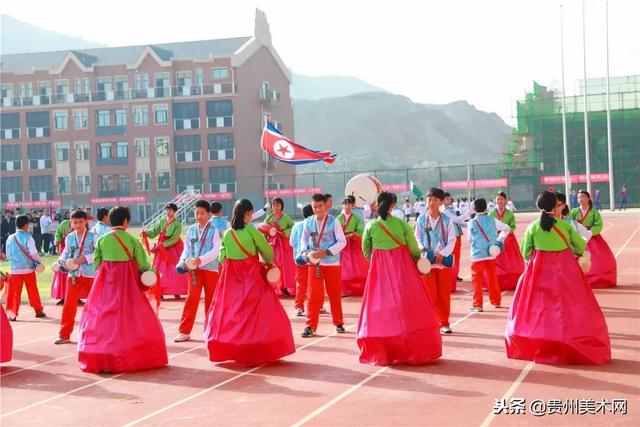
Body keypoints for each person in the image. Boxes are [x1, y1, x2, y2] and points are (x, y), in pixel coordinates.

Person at [505, 191, 610, 365]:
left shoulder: (533, 227)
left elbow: (525, 251)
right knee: (569, 306)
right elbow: (580, 246)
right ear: (555, 207)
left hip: (538, 272)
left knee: (539, 308)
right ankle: (568, 341)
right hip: (565, 271)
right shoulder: (564, 226)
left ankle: (540, 340)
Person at [205, 199, 295, 366]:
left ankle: (230, 345)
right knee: (261, 308)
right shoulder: (251, 231)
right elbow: (267, 251)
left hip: (231, 277)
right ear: (247, 214)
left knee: (232, 309)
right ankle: (256, 345)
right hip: (251, 274)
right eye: (250, 213)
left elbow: (222, 254)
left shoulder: (227, 233)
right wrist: (270, 260)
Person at [78, 206, 167, 373]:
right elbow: (143, 264)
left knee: (103, 315)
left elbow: (97, 264)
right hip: (128, 284)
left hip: (105, 285)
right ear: (126, 222)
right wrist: (153, 273)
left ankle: (103, 353)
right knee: (132, 315)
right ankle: (130, 352)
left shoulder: (102, 240)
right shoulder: (131, 240)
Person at [357, 191, 441, 366]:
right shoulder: (401, 224)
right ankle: (410, 348)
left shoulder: (371, 226)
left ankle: (384, 350)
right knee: (407, 304)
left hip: (379, 269)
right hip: (402, 266)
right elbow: (413, 247)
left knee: (381, 306)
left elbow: (366, 250)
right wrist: (416, 258)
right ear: (393, 206)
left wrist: (378, 258)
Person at [300, 194, 347, 338]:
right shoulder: (308, 222)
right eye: (315, 207)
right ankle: (310, 325)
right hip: (314, 264)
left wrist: (326, 252)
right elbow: (303, 240)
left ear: (325, 205)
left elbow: (342, 241)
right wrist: (304, 252)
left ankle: (338, 322)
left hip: (332, 263)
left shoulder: (334, 221)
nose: (318, 209)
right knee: (313, 295)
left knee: (334, 294)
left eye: (320, 206)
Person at [174, 200, 221, 343]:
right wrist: (182, 261)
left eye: (202, 213)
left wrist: (201, 259)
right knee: (191, 299)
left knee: (211, 300)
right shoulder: (191, 230)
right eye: (197, 213)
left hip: (210, 269)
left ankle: (211, 331)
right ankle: (184, 331)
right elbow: (186, 249)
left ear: (208, 214)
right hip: (194, 271)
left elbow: (216, 250)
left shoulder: (214, 230)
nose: (199, 216)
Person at [415, 188, 456, 334]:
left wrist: (443, 254)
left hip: (442, 263)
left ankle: (444, 323)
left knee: (443, 294)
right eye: (429, 199)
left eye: (435, 200)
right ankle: (431, 322)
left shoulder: (447, 220)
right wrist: (422, 248)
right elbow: (417, 238)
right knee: (428, 294)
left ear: (441, 202)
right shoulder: (421, 219)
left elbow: (452, 240)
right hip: (427, 262)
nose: (432, 203)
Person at [55, 210, 97, 344]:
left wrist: (86, 258)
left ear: (86, 222)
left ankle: (95, 334)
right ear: (71, 223)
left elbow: (98, 254)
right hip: (73, 275)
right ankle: (64, 335)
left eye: (80, 222)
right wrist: (61, 261)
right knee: (69, 305)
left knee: (94, 305)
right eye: (75, 222)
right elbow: (65, 253)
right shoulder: (69, 237)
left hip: (89, 274)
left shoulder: (93, 236)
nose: (78, 225)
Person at [468, 198, 510, 311]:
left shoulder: (471, 222)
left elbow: (469, 240)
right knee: (492, 278)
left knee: (477, 280)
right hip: (491, 253)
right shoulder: (492, 219)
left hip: (477, 255)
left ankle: (478, 304)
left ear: (474, 209)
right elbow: (507, 228)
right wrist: (500, 239)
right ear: (486, 208)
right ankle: (496, 301)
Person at [570, 190, 617, 288]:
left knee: (598, 259)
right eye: (578, 197)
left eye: (583, 197)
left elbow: (599, 225)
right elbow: (570, 223)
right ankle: (579, 280)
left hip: (592, 237)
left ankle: (598, 279)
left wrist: (590, 232)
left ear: (588, 198)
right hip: (579, 238)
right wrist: (576, 233)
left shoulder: (594, 212)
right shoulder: (574, 211)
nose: (580, 199)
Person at [142, 203, 188, 299]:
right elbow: (154, 231)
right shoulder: (162, 221)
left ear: (175, 212)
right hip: (161, 248)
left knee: (173, 269)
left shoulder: (177, 225)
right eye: (166, 210)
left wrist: (163, 245)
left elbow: (175, 238)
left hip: (173, 249)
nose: (168, 212)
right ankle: (160, 290)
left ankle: (176, 290)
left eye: (170, 210)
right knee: (159, 269)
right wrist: (146, 233)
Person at [4, 215, 46, 321]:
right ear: (27, 225)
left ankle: (12, 313)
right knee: (32, 290)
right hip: (28, 269)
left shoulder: (10, 238)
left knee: (14, 293)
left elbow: (8, 254)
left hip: (14, 270)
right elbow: (34, 253)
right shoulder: (28, 237)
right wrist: (39, 263)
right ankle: (38, 310)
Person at [488, 192, 525, 290]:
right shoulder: (492, 212)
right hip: (495, 238)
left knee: (511, 261)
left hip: (508, 239)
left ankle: (510, 281)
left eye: (502, 199)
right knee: (495, 261)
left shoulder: (509, 213)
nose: (500, 201)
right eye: (498, 199)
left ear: (505, 200)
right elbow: (489, 225)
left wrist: (506, 231)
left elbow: (513, 226)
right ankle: (496, 281)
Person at [262, 198, 296, 295]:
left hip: (283, 246)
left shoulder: (286, 218)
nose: (276, 207)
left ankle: (285, 286)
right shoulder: (268, 218)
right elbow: (262, 230)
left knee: (284, 266)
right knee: (273, 266)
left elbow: (292, 228)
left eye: (278, 205)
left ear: (282, 206)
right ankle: (275, 287)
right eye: (274, 205)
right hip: (272, 245)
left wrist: (285, 232)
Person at [338, 197, 369, 297]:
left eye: (349, 204)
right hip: (343, 245)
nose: (347, 206)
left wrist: (353, 235)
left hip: (353, 243)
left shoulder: (356, 218)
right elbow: (335, 231)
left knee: (356, 266)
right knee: (344, 267)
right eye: (345, 204)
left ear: (352, 205)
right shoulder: (338, 218)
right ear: (343, 205)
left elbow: (359, 230)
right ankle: (344, 289)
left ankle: (358, 287)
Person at [290, 204, 314, 316]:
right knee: (315, 282)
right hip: (312, 258)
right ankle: (317, 306)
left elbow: (291, 243)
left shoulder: (296, 226)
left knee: (300, 283)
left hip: (299, 258)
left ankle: (299, 306)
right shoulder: (314, 225)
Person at [442, 192, 469, 290]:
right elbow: (456, 220)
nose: (449, 201)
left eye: (450, 199)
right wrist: (468, 213)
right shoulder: (445, 211)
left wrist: (471, 224)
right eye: (447, 199)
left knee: (457, 257)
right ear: (442, 200)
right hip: (452, 236)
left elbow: (459, 222)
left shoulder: (451, 209)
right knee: (453, 257)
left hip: (457, 235)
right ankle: (452, 275)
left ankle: (455, 274)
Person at [51, 216, 73, 305]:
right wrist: (57, 240)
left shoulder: (82, 224)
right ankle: (63, 296)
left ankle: (77, 296)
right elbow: (58, 234)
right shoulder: (64, 223)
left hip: (76, 251)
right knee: (62, 273)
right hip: (65, 250)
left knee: (76, 273)